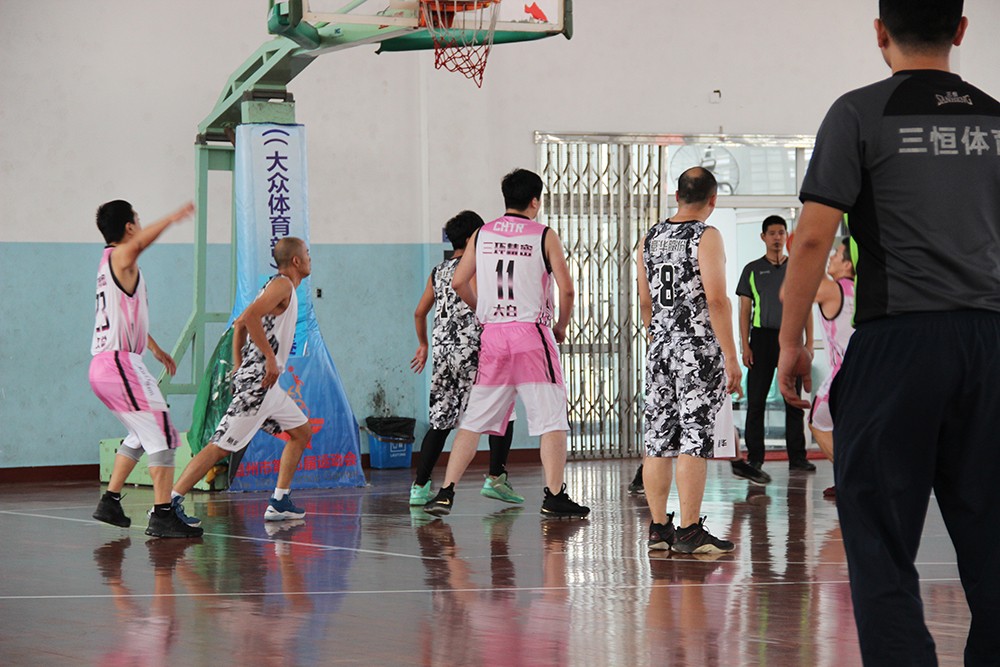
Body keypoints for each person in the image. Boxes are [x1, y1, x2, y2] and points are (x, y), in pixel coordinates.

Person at [776, 2, 1000, 663]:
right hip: (990, 343)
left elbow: (812, 237)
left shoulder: (858, 112)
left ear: (880, 32)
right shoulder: (995, 119)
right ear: (960, 30)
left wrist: (791, 341)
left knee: (878, 534)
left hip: (898, 346)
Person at [423, 168, 588, 519]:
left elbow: (458, 282)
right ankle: (554, 495)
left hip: (494, 337)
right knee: (551, 420)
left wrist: (483, 311)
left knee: (474, 420)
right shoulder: (544, 234)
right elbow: (568, 289)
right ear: (535, 201)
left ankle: (446, 492)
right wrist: (560, 326)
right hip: (531, 334)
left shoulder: (482, 234)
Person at [169, 237, 314, 524]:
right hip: (260, 383)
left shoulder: (277, 287)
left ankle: (280, 501)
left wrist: (239, 365)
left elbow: (239, 324)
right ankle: (168, 505)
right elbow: (249, 318)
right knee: (220, 446)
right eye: (307, 254)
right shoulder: (283, 285)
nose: (311, 258)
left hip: (267, 386)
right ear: (296, 260)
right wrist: (269, 358)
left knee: (302, 432)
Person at [638, 167, 741, 554]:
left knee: (658, 439)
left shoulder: (650, 237)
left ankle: (658, 528)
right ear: (712, 199)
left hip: (660, 347)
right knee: (694, 438)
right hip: (697, 349)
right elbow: (716, 300)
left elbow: (645, 301)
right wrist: (731, 356)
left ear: (677, 195)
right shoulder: (705, 235)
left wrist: (659, 337)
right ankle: (690, 530)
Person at [89, 200, 203, 539]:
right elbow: (139, 244)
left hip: (109, 366)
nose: (140, 225)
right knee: (163, 433)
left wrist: (153, 347)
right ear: (129, 227)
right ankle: (163, 514)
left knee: (142, 433)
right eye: (137, 219)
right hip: (119, 364)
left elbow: (127, 315)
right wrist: (172, 217)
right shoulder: (121, 256)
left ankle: (110, 500)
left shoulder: (108, 265)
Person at [409, 210, 522, 506]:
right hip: (476, 351)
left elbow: (419, 312)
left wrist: (423, 344)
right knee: (503, 409)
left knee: (441, 420)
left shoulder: (438, 272)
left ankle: (419, 487)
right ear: (474, 237)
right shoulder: (479, 268)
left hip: (444, 354)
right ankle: (496, 477)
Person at [732, 215, 814, 484]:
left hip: (792, 339)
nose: (777, 237)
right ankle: (755, 458)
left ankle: (798, 457)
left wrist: (809, 343)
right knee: (756, 400)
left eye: (781, 232)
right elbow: (744, 311)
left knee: (793, 400)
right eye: (772, 233)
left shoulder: (797, 268)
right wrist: (745, 345)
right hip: (762, 339)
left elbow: (806, 307)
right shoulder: (752, 269)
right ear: (763, 237)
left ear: (786, 236)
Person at [807, 237, 855, 499]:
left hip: (842, 374)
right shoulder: (863, 290)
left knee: (818, 422)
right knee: (849, 428)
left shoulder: (831, 289)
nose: (832, 257)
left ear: (848, 264)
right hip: (869, 371)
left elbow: (794, 291)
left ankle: (850, 478)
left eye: (836, 254)